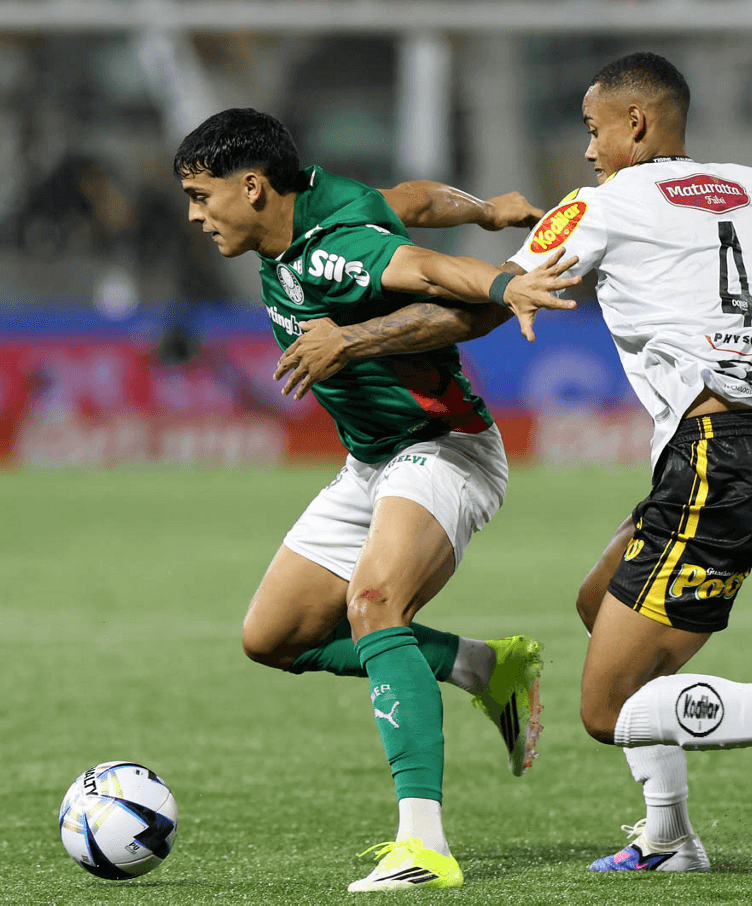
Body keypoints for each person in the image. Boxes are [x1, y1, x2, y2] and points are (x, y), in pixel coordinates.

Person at [505, 51, 752, 874]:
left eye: (593, 130)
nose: (588, 150)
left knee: (607, 709)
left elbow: (505, 286)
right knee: (598, 603)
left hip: (716, 460)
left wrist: (379, 322)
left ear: (635, 123)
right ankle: (668, 836)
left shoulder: (601, 203)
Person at [173, 107, 580, 891]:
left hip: (443, 448)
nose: (194, 215)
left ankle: (423, 846)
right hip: (372, 462)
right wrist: (487, 208)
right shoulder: (318, 202)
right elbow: (415, 200)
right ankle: (484, 667)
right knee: (273, 638)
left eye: (201, 196)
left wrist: (506, 282)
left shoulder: (332, 252)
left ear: (251, 187)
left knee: (374, 605)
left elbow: (425, 268)